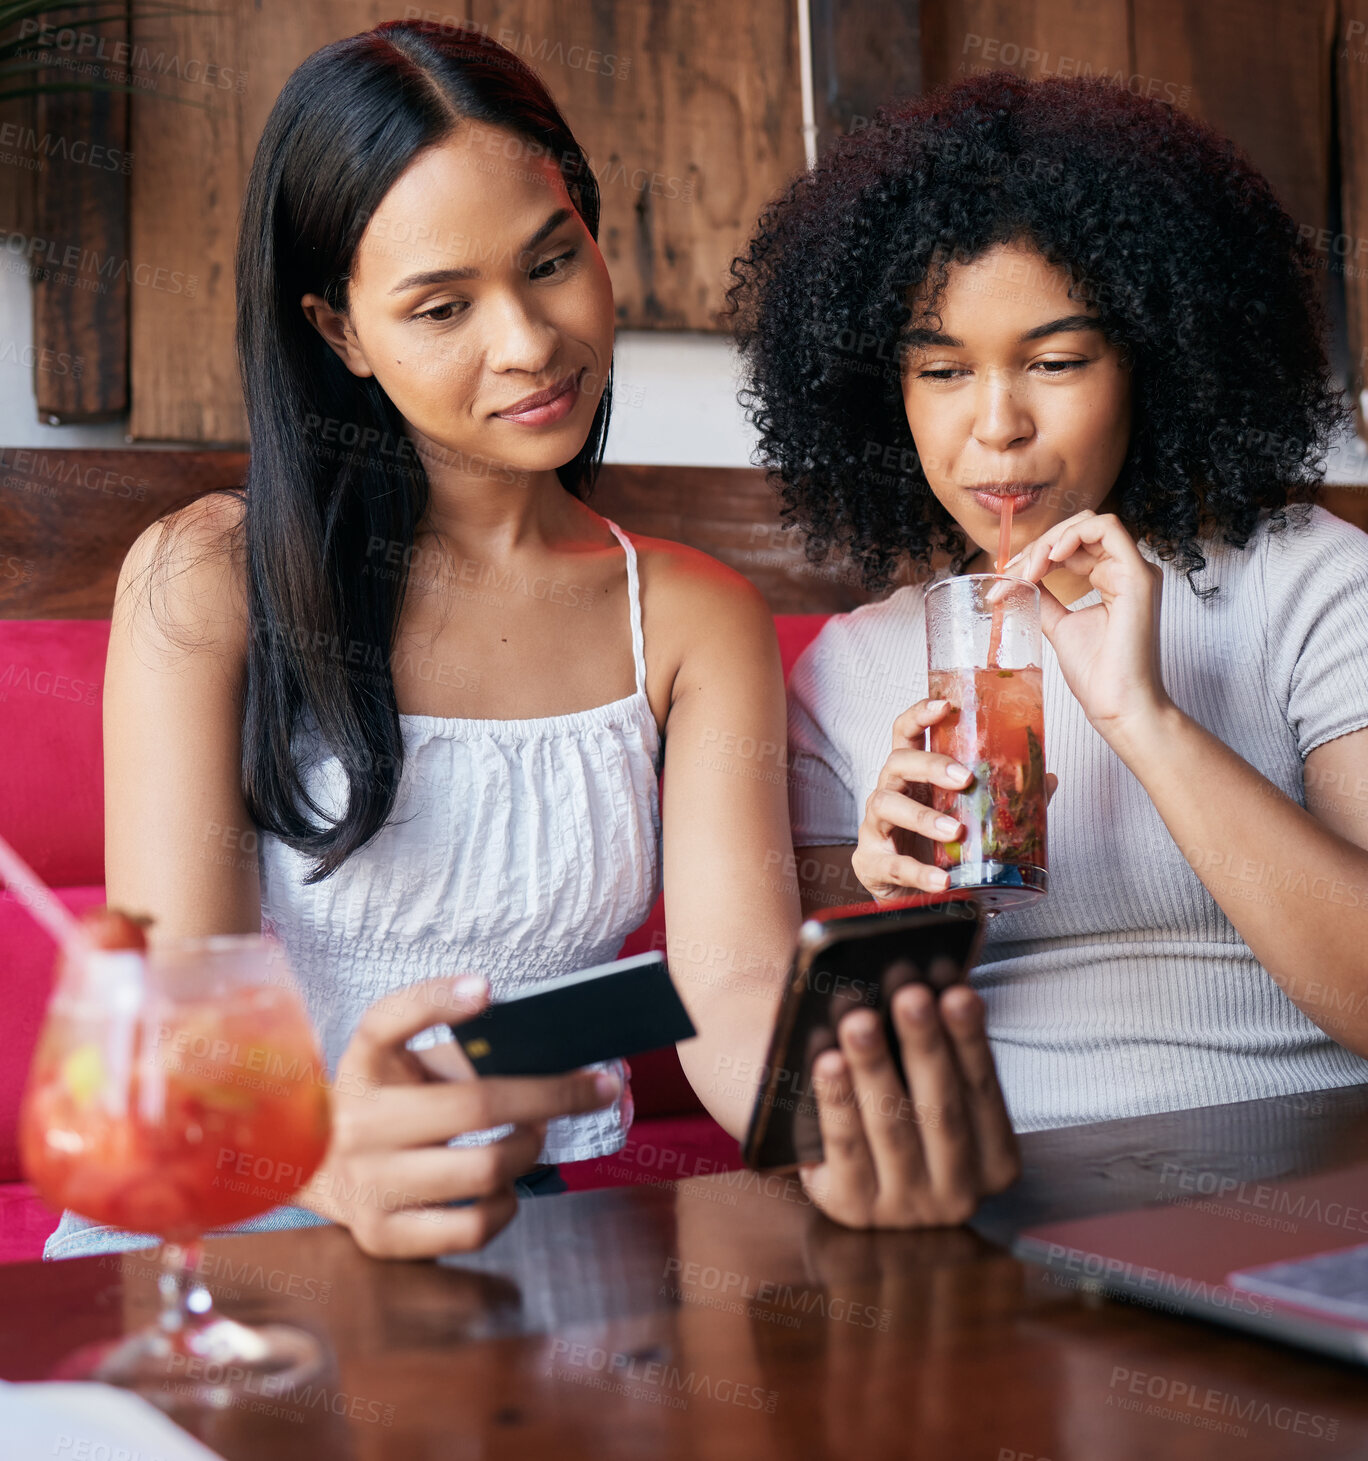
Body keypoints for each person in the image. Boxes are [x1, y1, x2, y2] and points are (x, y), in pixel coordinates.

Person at [45, 20, 804, 1260]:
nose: (528, 343)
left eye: (552, 261)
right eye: (442, 306)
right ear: (341, 332)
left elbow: (729, 989)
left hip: (526, 1244)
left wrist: (848, 1122)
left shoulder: (690, 618)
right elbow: (185, 1021)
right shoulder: (210, 581)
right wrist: (325, 1162)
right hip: (228, 1233)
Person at [727, 70, 1368, 1223]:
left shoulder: (1309, 582)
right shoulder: (864, 668)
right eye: (941, 370)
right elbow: (802, 1071)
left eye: (1057, 362)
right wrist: (888, 897)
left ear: (1156, 359)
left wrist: (1145, 720)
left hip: (1315, 1177)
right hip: (998, 1206)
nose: (996, 426)